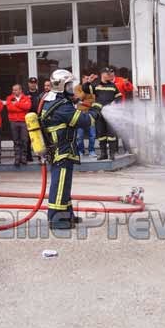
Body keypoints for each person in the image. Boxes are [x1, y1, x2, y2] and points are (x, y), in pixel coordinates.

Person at [41, 70, 102, 230]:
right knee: (60, 184)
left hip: (59, 148)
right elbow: (84, 120)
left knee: (64, 184)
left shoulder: (50, 98)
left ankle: (67, 215)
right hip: (61, 149)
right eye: (69, 85)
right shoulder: (62, 107)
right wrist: (96, 109)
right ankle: (56, 219)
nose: (71, 88)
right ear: (61, 86)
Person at [82, 67, 121, 160]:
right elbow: (85, 89)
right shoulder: (96, 85)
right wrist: (88, 81)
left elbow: (119, 97)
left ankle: (112, 154)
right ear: (103, 74)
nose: (110, 75)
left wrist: (114, 102)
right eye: (108, 74)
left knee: (111, 134)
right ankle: (104, 154)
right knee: (101, 134)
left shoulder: (113, 86)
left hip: (110, 114)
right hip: (99, 114)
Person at [6, 84, 31, 167]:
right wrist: (20, 106)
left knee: (24, 140)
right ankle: (17, 158)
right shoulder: (9, 98)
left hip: (23, 121)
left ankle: (23, 158)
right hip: (13, 121)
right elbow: (10, 108)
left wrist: (16, 104)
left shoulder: (26, 98)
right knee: (16, 141)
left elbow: (27, 107)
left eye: (16, 90)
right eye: (13, 90)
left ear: (20, 90)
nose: (14, 91)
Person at [75, 75, 97, 157]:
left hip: (90, 113)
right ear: (82, 79)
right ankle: (81, 151)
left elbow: (93, 100)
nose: (88, 80)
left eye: (89, 79)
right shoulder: (77, 87)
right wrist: (85, 89)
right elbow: (79, 98)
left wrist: (85, 101)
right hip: (80, 113)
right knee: (79, 135)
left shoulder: (91, 87)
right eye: (86, 79)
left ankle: (91, 150)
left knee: (92, 134)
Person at [25, 77, 41, 162]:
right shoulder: (25, 94)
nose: (33, 84)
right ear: (28, 84)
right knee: (28, 139)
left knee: (39, 137)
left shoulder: (39, 94)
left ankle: (40, 156)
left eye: (34, 83)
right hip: (28, 118)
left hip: (37, 118)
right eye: (31, 83)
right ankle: (28, 156)